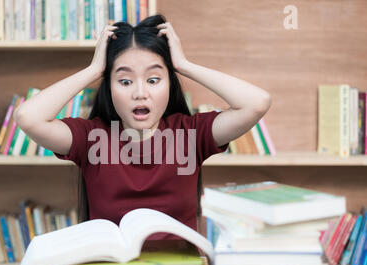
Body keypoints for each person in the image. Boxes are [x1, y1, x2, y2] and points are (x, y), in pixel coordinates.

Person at [14, 14, 271, 240]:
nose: (140, 93)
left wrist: (183, 66)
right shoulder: (91, 138)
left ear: (170, 83)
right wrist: (94, 70)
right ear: (109, 86)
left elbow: (257, 103)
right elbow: (28, 117)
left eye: (153, 79)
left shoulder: (190, 135)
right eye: (125, 81)